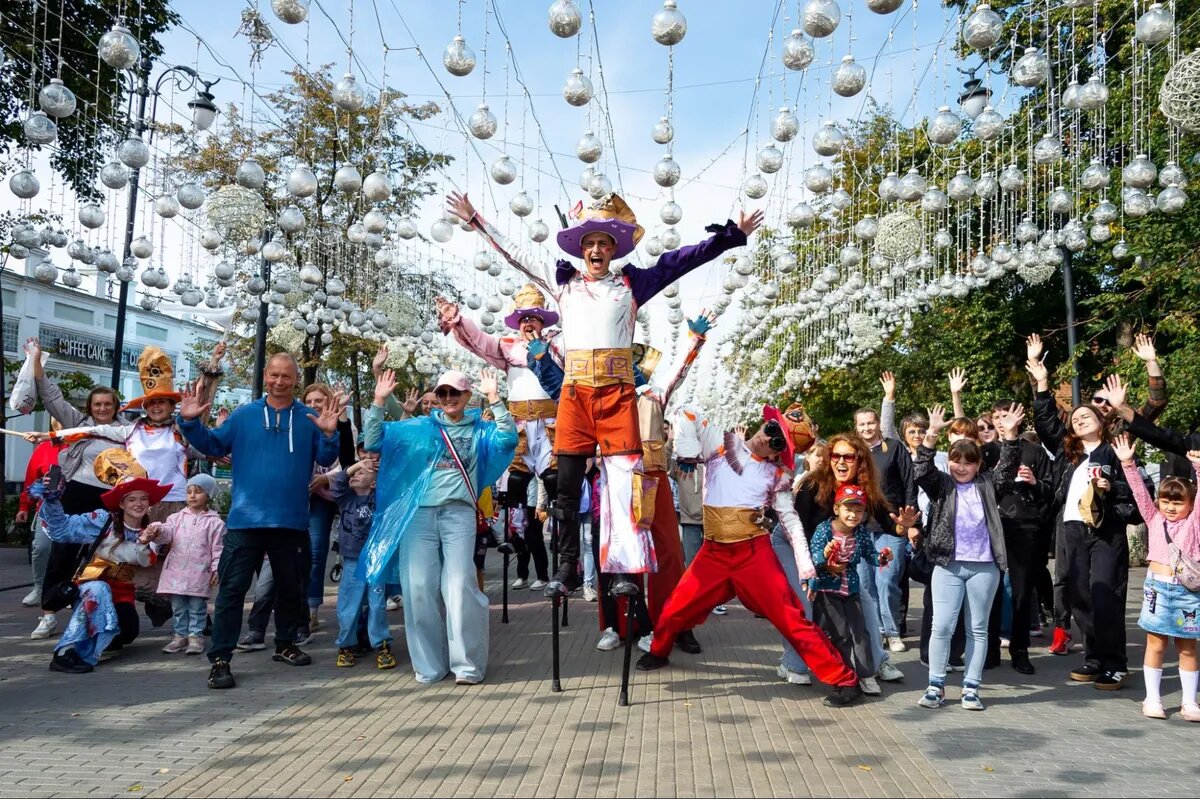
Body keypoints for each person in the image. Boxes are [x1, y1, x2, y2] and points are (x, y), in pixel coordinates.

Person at [447, 189, 762, 600]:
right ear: (581, 250)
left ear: (614, 249)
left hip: (616, 396)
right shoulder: (565, 286)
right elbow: (517, 253)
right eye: (589, 243)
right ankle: (566, 566)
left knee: (622, 483)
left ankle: (625, 569)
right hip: (576, 395)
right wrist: (476, 220)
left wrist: (729, 236)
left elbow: (682, 261)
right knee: (564, 485)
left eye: (603, 243)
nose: (596, 249)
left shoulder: (631, 284)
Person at [637, 402, 865, 707]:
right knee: (676, 607)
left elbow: (790, 520)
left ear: (779, 453)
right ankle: (658, 649)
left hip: (753, 555)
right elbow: (686, 412)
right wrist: (688, 449)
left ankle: (844, 680)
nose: (768, 439)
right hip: (713, 553)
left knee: (791, 618)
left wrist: (806, 567)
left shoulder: (776, 474)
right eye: (771, 430)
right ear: (763, 425)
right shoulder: (720, 444)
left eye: (778, 441)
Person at [176, 352, 343, 690]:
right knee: (232, 592)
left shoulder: (309, 417)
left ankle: (284, 644)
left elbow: (326, 458)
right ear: (265, 375)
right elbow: (212, 443)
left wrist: (329, 433)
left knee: (290, 589)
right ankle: (220, 658)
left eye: (287, 376)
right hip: (245, 522)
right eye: (274, 375)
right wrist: (191, 423)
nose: (279, 381)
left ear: (296, 379)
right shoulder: (244, 415)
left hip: (291, 522)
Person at [361, 368, 516, 685]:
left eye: (454, 393)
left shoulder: (479, 430)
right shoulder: (419, 427)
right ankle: (429, 666)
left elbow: (508, 439)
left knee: (459, 586)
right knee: (417, 587)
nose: (447, 399)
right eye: (442, 393)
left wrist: (495, 398)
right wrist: (378, 401)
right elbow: (374, 440)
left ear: (466, 396)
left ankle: (468, 665)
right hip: (419, 516)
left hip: (459, 514)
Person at [436, 284, 562, 591]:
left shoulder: (559, 345)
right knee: (516, 485)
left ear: (543, 321)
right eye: (522, 319)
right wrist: (459, 319)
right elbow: (480, 341)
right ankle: (516, 542)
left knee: (554, 482)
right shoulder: (507, 346)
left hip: (550, 423)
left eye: (533, 317)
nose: (528, 323)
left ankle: (563, 551)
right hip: (518, 424)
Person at [1028, 357, 1136, 690]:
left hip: (1104, 532)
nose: (1079, 421)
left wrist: (1112, 487)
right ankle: (1094, 657)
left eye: (1086, 415)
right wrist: (1042, 383)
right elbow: (1046, 422)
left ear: (1103, 421)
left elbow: (1136, 498)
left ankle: (1115, 663)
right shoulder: (1068, 453)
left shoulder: (1116, 451)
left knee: (1106, 595)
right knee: (1079, 596)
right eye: (1075, 419)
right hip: (1071, 529)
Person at [913, 404, 1021, 711]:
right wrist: (931, 434)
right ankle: (936, 686)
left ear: (977, 465)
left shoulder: (988, 484)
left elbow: (1009, 466)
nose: (961, 467)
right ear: (948, 462)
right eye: (956, 461)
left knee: (978, 628)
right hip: (948, 566)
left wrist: (1010, 434)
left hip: (984, 568)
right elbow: (921, 469)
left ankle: (971, 688)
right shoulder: (942, 486)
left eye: (968, 462)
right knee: (941, 626)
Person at [789, 433, 910, 689]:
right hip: (794, 543)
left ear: (860, 461)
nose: (841, 462)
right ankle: (793, 664)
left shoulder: (863, 489)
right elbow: (801, 532)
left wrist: (903, 528)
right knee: (805, 605)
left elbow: (889, 523)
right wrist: (818, 568)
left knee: (865, 607)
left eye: (848, 456)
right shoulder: (813, 486)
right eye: (836, 456)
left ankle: (876, 664)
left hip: (834, 561)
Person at [25, 338, 121, 641]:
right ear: (90, 407)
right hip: (77, 492)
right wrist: (37, 361)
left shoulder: (126, 431)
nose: (102, 408)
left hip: (110, 498)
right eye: (97, 404)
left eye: (107, 404)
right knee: (61, 552)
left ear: (116, 407)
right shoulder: (78, 424)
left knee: (104, 556)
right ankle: (49, 613)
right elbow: (51, 397)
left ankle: (96, 613)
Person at [33, 465, 168, 674]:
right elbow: (61, 529)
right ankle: (64, 652)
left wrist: (145, 540)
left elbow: (144, 560)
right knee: (99, 589)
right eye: (132, 499)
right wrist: (52, 499)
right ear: (121, 503)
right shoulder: (102, 521)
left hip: (122, 594)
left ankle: (97, 639)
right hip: (90, 588)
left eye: (143, 499)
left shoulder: (152, 531)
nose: (138, 504)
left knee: (127, 631)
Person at [1112, 434, 1200, 720]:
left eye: (1178, 502)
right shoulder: (1154, 518)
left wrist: (1199, 468)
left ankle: (1189, 702)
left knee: (1187, 648)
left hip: (1187, 593)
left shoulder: (1194, 522)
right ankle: (1153, 699)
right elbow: (1139, 493)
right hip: (1157, 590)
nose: (1171, 507)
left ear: (1189, 503)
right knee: (1156, 644)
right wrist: (1127, 463)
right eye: (1166, 501)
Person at [986, 399, 1053, 675]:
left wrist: (1035, 483)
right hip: (991, 527)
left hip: (1025, 527)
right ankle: (989, 649)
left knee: (1022, 592)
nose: (1002, 421)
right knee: (989, 590)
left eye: (1007, 415)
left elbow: (1052, 492)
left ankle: (1020, 649)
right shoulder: (986, 451)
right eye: (998, 416)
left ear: (1020, 417)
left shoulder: (1034, 451)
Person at [807, 485, 894, 693]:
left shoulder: (861, 533)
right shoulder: (824, 530)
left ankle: (866, 675)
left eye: (859, 511)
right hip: (828, 592)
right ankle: (845, 675)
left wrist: (882, 557)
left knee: (861, 633)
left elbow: (871, 555)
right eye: (849, 509)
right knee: (841, 634)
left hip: (851, 589)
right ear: (837, 509)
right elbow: (813, 557)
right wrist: (824, 556)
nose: (853, 515)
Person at [852, 405, 917, 653]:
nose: (867, 428)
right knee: (866, 584)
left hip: (891, 527)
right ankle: (876, 630)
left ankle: (892, 632)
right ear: (856, 428)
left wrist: (910, 523)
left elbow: (909, 484)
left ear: (878, 423)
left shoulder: (894, 447)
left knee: (887, 580)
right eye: (862, 425)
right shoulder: (854, 453)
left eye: (871, 423)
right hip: (860, 527)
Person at [324, 459, 394, 670]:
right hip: (352, 562)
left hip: (375, 562)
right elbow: (338, 481)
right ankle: (346, 645)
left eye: (361, 474)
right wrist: (356, 466)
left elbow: (391, 486)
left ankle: (382, 644)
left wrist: (382, 469)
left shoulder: (378, 500)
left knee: (377, 604)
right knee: (349, 604)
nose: (355, 476)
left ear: (373, 484)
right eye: (354, 473)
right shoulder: (346, 500)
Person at [156, 474, 225, 655]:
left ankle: (195, 636)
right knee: (178, 607)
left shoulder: (215, 522)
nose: (192, 496)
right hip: (176, 572)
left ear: (208, 495)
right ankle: (180, 636)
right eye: (189, 492)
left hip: (199, 573)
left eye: (198, 491)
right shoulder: (176, 518)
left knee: (197, 607)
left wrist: (216, 568)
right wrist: (157, 531)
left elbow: (218, 549)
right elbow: (166, 535)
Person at [18, 433, 63, 616]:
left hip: (74, 508)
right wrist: (24, 506)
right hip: (47, 508)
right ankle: (39, 587)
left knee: (69, 551)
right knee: (41, 548)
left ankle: (67, 589)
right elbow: (30, 480)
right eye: (56, 421)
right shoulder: (43, 448)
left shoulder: (80, 444)